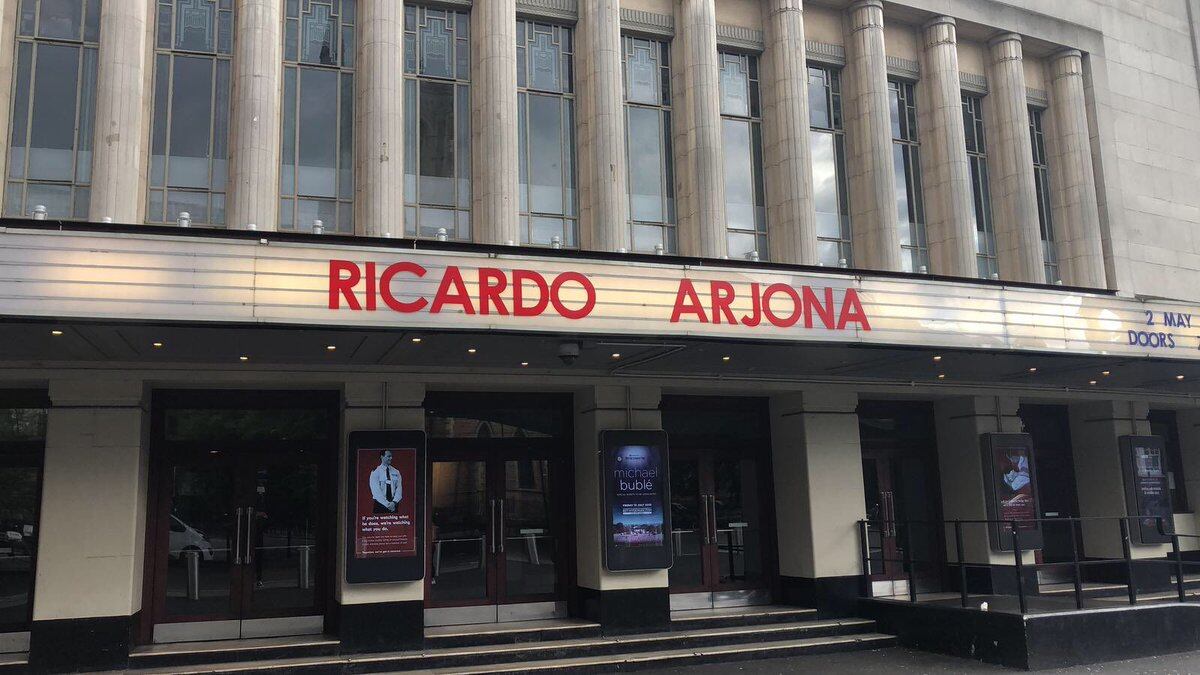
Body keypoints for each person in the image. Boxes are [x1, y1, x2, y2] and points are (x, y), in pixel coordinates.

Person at [370, 449, 403, 514]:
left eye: (391, 456)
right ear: (382, 457)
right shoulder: (376, 472)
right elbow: (376, 491)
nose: (391, 458)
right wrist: (387, 504)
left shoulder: (396, 472)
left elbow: (399, 488)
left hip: (393, 505)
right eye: (388, 456)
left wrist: (394, 502)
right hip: (380, 505)